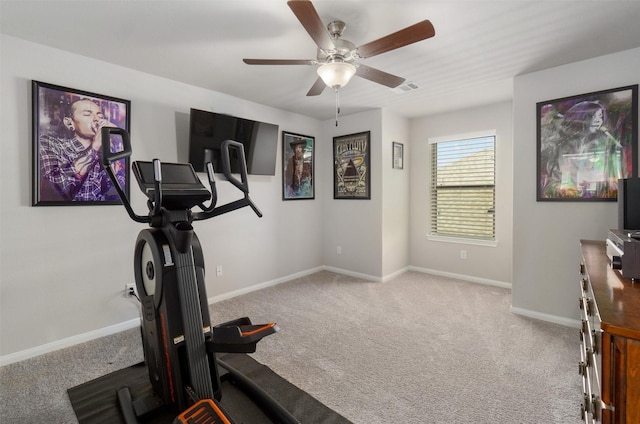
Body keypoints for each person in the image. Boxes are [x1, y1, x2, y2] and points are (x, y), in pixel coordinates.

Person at [39, 98, 125, 202]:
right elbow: (56, 187)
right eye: (87, 114)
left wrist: (112, 142)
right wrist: (95, 146)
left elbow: (121, 188)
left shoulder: (105, 149)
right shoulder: (51, 144)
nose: (96, 119)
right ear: (69, 123)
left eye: (99, 115)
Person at [540, 100, 625, 199]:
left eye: (600, 116)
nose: (598, 120)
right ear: (580, 118)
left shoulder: (606, 143)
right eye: (592, 116)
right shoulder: (562, 146)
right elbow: (554, 180)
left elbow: (614, 176)